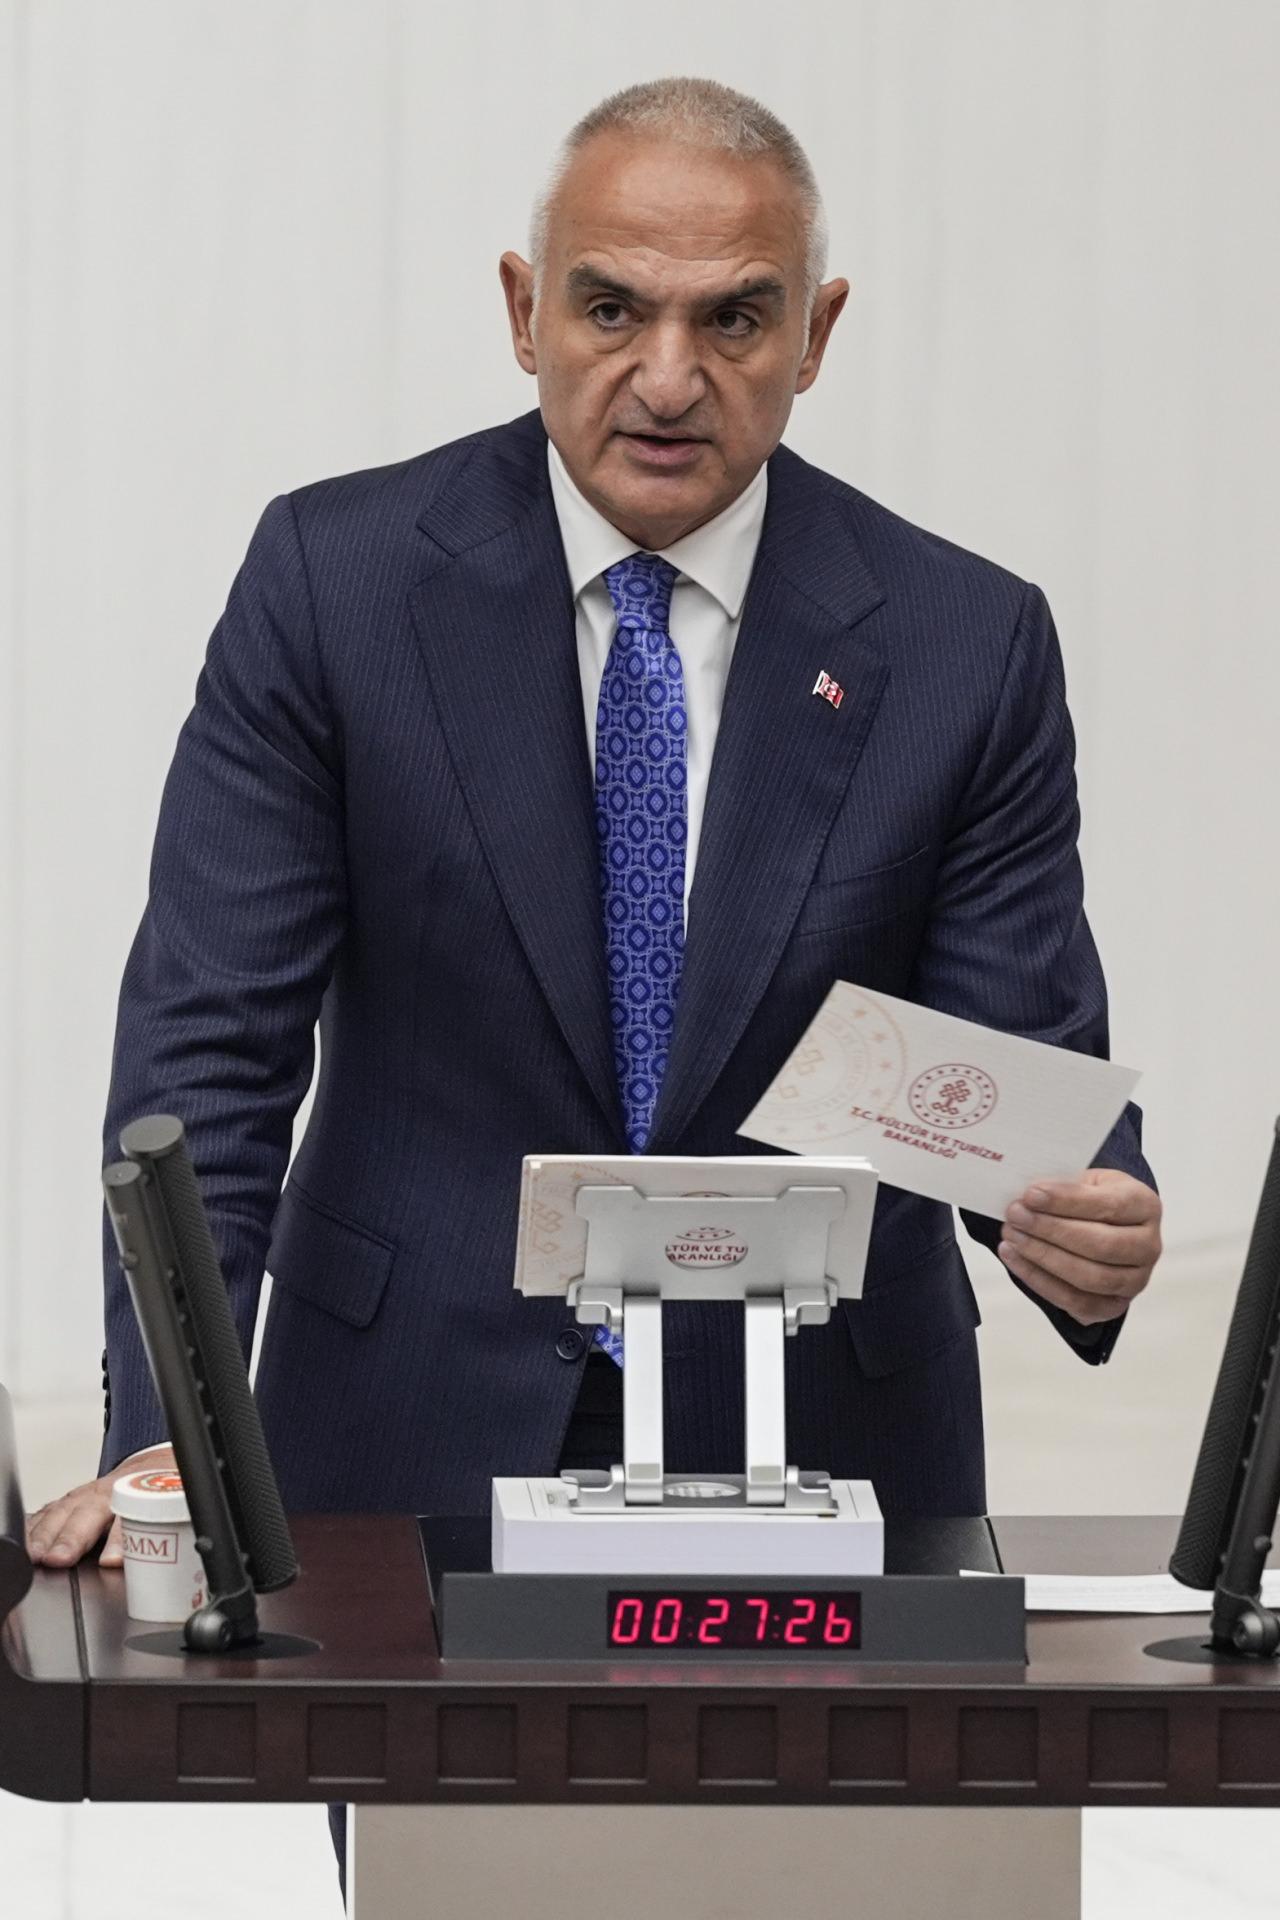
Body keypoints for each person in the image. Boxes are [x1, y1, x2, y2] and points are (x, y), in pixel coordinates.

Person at [25, 75, 1162, 1901]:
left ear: (818, 335)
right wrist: (164, 1445)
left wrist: (1086, 1225)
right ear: (523, 307)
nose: (667, 375)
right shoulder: (334, 584)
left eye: (737, 320)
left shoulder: (965, 642)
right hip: (405, 1447)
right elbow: (208, 1049)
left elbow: (1018, 1074)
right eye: (613, 306)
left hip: (831, 1467)